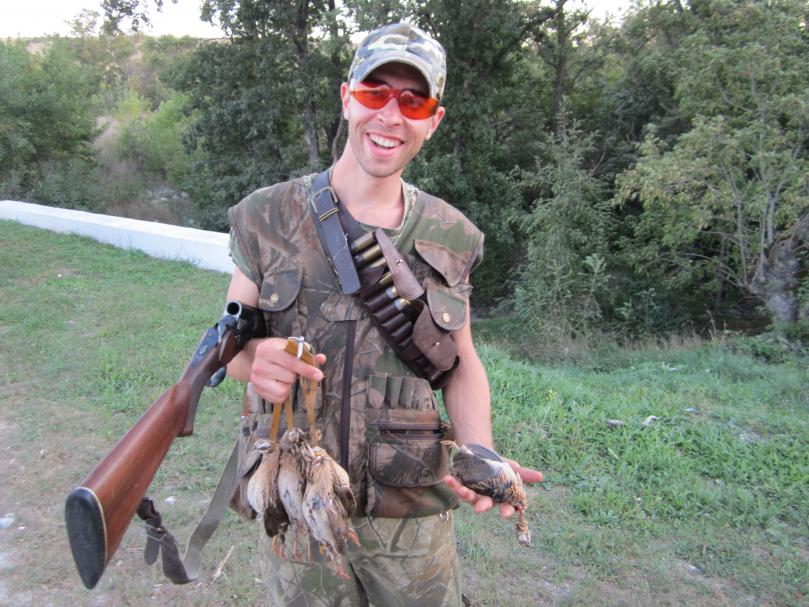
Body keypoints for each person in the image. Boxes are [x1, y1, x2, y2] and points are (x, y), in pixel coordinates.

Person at [224, 22, 542, 607]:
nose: (391, 116)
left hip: (409, 508)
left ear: (432, 121)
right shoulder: (265, 216)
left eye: (413, 101)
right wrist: (254, 358)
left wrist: (478, 448)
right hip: (298, 496)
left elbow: (461, 363)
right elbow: (231, 346)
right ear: (347, 99)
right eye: (376, 93)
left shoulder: (452, 234)